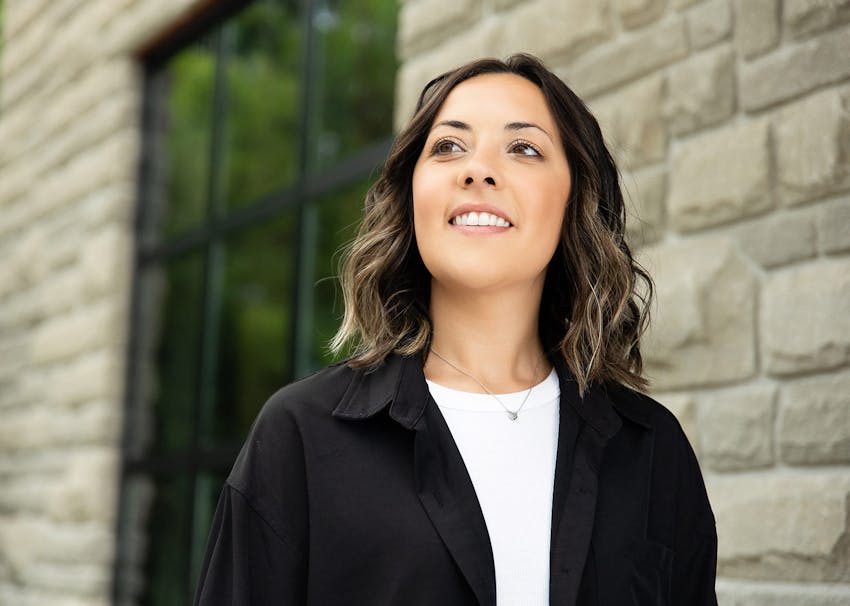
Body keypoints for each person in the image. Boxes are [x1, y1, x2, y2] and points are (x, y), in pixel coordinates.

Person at [194, 53, 717, 605]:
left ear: (575, 201)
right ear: (411, 196)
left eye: (523, 148)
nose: (477, 170)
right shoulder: (300, 435)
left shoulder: (653, 451)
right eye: (448, 146)